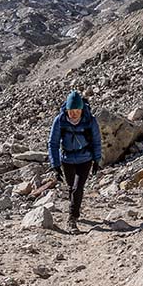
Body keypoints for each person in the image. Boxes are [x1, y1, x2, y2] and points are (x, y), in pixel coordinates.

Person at [47, 90, 102, 232]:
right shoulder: (60, 121)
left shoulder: (90, 120)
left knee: (78, 188)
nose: (73, 114)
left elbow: (96, 141)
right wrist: (55, 165)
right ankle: (75, 208)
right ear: (67, 109)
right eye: (71, 110)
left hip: (85, 159)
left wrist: (96, 160)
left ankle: (72, 219)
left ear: (82, 109)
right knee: (71, 188)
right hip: (67, 159)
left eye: (77, 110)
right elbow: (53, 143)